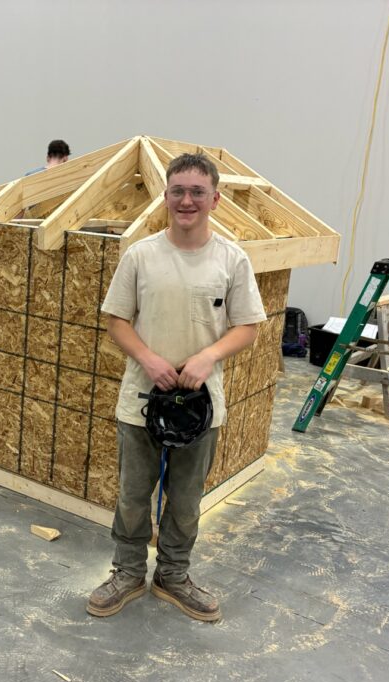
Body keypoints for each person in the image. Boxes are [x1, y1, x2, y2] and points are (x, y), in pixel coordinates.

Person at [87, 153, 266, 622]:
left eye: (197, 192)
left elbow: (247, 327)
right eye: (178, 191)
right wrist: (147, 358)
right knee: (132, 494)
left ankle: (173, 574)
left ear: (215, 199)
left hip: (201, 409)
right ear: (165, 197)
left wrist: (208, 357)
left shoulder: (232, 259)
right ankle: (126, 572)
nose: (187, 200)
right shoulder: (141, 255)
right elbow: (116, 320)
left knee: (185, 498)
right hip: (142, 402)